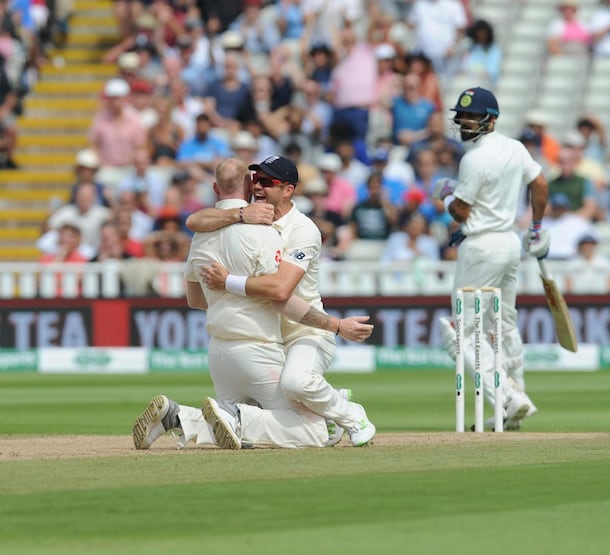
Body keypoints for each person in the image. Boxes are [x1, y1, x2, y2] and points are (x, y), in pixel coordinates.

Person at [133, 158, 374, 450]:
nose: (258, 186)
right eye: (255, 180)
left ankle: (349, 413)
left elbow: (280, 291)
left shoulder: (302, 230)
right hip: (267, 337)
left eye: (267, 182)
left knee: (296, 382)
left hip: (304, 332)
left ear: (287, 190)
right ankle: (180, 418)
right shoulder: (248, 218)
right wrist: (239, 214)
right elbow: (193, 221)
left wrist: (227, 283)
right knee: (238, 424)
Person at [434, 86, 548, 430]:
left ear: (491, 119)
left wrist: (445, 195)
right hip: (510, 244)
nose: (465, 121)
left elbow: (460, 212)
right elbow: (540, 184)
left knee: (460, 335)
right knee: (504, 325)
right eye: (462, 115)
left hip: (481, 247)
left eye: (472, 115)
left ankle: (509, 399)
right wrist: (537, 227)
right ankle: (514, 402)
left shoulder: (474, 159)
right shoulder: (516, 148)